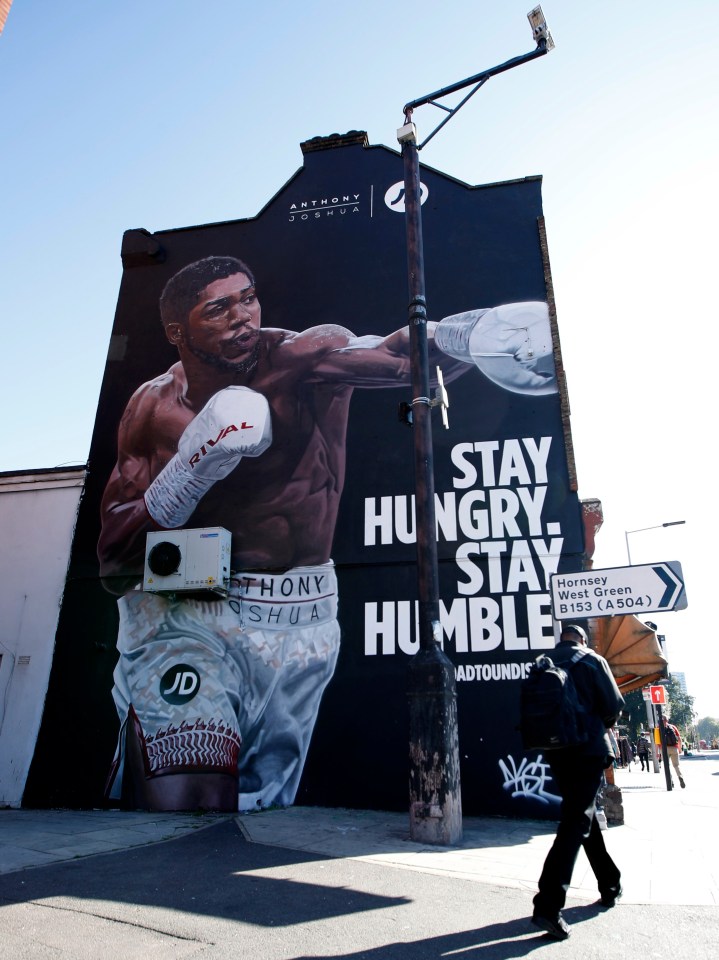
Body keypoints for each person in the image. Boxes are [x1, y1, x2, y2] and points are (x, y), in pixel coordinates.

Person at [98, 255, 557, 813]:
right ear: (178, 331)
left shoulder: (303, 357)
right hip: (186, 616)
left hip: (304, 625)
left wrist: (473, 336)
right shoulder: (150, 408)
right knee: (190, 798)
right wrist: (190, 470)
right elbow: (112, 561)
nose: (243, 317)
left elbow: (394, 356)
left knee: (259, 806)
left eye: (249, 298)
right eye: (219, 308)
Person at [531, 623, 625, 941]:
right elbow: (613, 707)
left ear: (562, 639)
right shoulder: (591, 659)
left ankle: (610, 884)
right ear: (582, 639)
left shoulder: (544, 661)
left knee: (581, 814)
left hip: (557, 751)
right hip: (588, 750)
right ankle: (548, 906)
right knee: (575, 821)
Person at [662, 715, 686, 788]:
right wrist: (679, 748)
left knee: (667, 766)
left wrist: (657, 753)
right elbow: (679, 738)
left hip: (664, 749)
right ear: (667, 720)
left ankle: (670, 781)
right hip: (674, 748)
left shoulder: (658, 728)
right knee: (676, 765)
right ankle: (680, 777)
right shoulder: (673, 727)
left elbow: (657, 743)